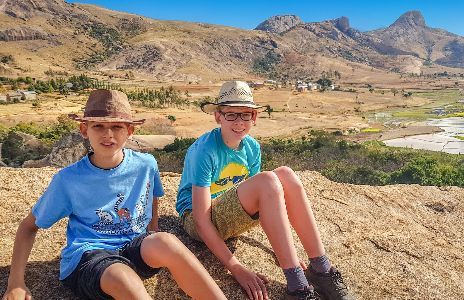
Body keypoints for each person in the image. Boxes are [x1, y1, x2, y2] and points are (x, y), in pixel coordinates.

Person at [2, 90, 226, 300]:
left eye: (117, 126)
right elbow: (29, 226)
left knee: (166, 241)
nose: (108, 134)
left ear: (130, 131)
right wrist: (16, 283)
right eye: (98, 126)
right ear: (84, 130)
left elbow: (152, 196)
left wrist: (153, 235)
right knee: (121, 276)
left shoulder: (146, 165)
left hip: (133, 247)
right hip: (91, 257)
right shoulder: (68, 180)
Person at [176, 81, 356, 300]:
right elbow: (200, 222)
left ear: (254, 117)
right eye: (231, 115)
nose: (239, 122)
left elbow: (263, 204)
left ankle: (321, 270)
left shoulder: (252, 147)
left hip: (228, 214)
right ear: (218, 117)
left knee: (286, 175)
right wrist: (237, 269)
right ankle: (298, 287)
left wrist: (285, 254)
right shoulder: (205, 150)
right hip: (197, 220)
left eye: (246, 115)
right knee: (269, 180)